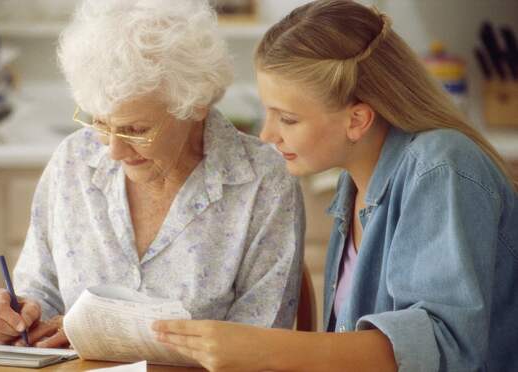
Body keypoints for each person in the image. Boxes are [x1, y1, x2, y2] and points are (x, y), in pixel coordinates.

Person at [152, 1, 518, 371]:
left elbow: (442, 347)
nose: (267, 135)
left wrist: (265, 348)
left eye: (288, 119)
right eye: (268, 113)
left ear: (357, 120)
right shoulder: (353, 188)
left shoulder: (441, 168)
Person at [0, 0, 305, 349]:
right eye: (101, 124)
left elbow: (260, 342)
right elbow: (40, 289)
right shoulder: (73, 159)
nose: (114, 152)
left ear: (195, 105)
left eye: (135, 129)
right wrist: (17, 319)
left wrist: (111, 334)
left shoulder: (263, 182)